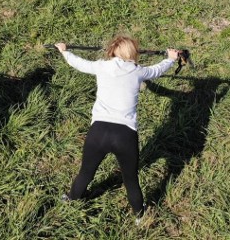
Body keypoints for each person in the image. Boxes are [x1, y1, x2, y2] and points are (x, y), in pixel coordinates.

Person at [54, 39, 180, 221]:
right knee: (130, 180)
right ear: (132, 53)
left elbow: (79, 63)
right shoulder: (139, 71)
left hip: (98, 132)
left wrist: (64, 51)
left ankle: (72, 198)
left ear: (112, 51)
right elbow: (157, 70)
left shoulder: (101, 67)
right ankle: (139, 216)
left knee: (86, 173)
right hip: (125, 135)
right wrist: (171, 58)